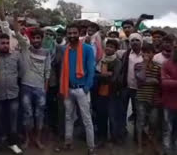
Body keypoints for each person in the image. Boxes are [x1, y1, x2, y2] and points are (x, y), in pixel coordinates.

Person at [13, 12, 51, 149]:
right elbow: (17, 32)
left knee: (39, 114)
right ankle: (27, 139)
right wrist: (15, 18)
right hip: (26, 87)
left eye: (38, 38)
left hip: (40, 88)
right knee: (27, 114)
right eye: (34, 38)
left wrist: (45, 88)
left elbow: (48, 71)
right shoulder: (25, 48)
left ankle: (38, 139)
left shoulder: (47, 52)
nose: (35, 40)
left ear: (42, 39)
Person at [57, 23, 96, 155]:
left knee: (86, 119)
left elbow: (91, 70)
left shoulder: (88, 49)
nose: (72, 35)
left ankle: (91, 147)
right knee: (68, 117)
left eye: (74, 33)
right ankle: (68, 142)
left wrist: (86, 88)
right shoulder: (66, 49)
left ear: (79, 33)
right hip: (68, 89)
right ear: (66, 35)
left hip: (81, 90)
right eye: (70, 33)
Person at [0, 33, 23, 155]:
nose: (5, 45)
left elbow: (20, 73)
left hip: (13, 94)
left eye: (7, 43)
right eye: (2, 43)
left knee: (12, 121)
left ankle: (12, 143)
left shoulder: (16, 55)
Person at [134, 43, 161, 154]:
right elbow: (140, 79)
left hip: (153, 99)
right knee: (140, 122)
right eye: (144, 52)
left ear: (153, 54)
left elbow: (160, 82)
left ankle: (152, 142)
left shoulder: (158, 66)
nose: (146, 54)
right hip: (141, 98)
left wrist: (149, 81)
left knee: (153, 122)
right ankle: (140, 146)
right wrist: (145, 65)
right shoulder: (138, 65)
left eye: (149, 52)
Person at [95, 39, 122, 147]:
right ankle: (102, 138)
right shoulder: (100, 60)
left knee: (112, 117)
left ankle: (114, 137)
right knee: (101, 116)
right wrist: (105, 75)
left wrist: (103, 75)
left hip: (112, 93)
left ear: (116, 49)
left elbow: (114, 79)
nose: (108, 48)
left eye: (111, 47)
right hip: (100, 93)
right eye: (107, 46)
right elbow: (94, 75)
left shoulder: (118, 62)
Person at [161, 38, 177, 155]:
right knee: (168, 130)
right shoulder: (166, 64)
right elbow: (165, 83)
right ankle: (167, 152)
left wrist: (174, 81)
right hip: (169, 104)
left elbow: (170, 83)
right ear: (171, 48)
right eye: (175, 47)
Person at [121, 33, 143, 138]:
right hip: (126, 87)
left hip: (139, 89)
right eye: (132, 40)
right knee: (122, 110)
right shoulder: (127, 54)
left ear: (141, 42)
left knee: (137, 112)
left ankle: (137, 135)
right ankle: (122, 131)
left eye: (137, 40)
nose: (134, 42)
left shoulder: (145, 54)